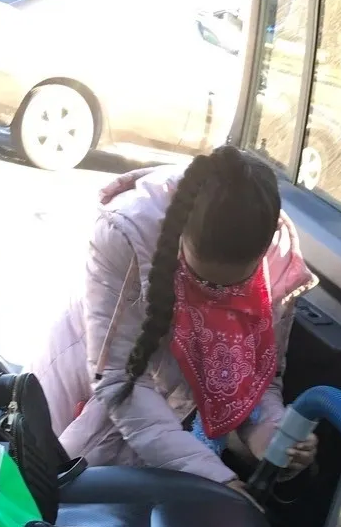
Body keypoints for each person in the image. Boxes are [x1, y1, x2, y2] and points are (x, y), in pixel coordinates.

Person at [34, 145, 318, 496]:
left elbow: (259, 374)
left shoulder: (275, 256)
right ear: (182, 238)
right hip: (93, 386)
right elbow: (119, 380)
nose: (217, 297)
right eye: (204, 283)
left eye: (233, 289)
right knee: (51, 490)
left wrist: (271, 434)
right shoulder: (128, 233)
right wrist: (213, 477)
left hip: (174, 428)